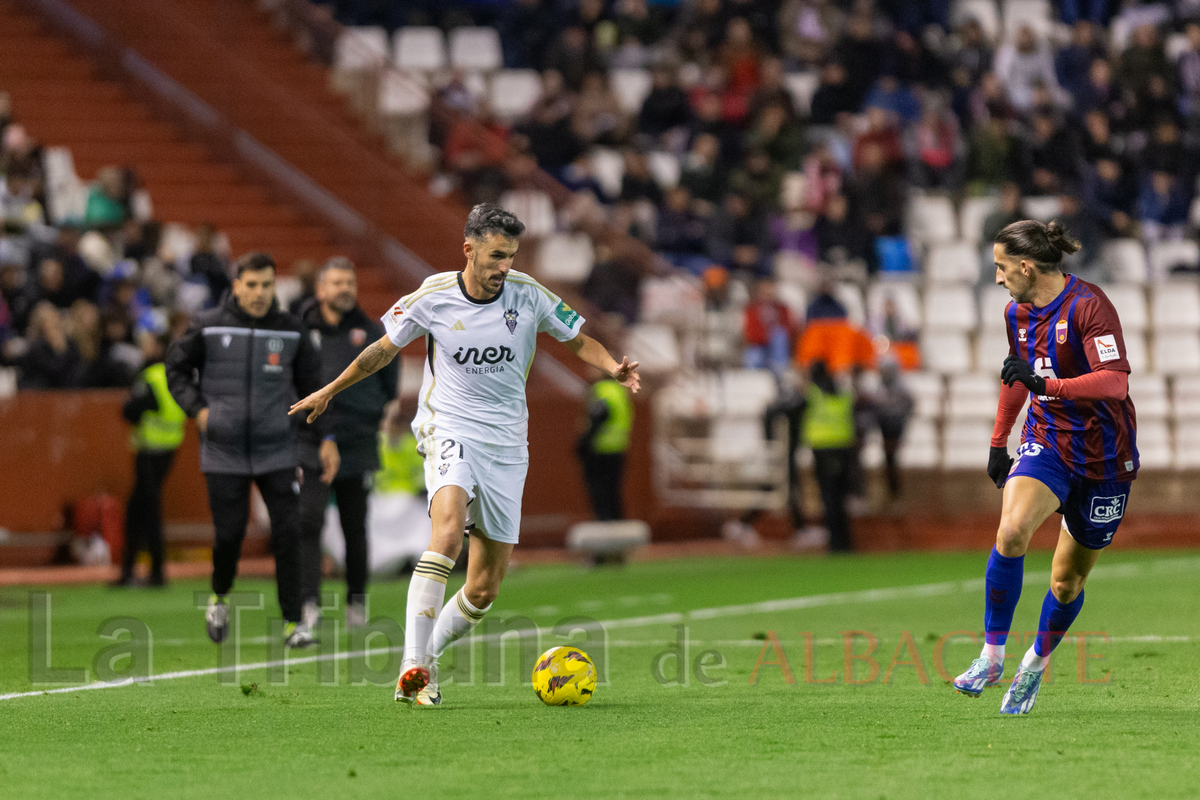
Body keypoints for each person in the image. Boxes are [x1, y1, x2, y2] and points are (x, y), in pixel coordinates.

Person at [290, 204, 640, 706]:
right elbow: (382, 350)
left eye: (512, 257)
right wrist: (330, 389)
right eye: (496, 256)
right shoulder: (432, 296)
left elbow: (578, 338)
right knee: (448, 530)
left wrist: (612, 366)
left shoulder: (528, 294)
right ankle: (415, 665)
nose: (505, 267)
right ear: (469, 250)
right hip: (447, 426)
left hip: (506, 443)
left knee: (483, 587)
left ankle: (424, 661)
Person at [953, 220, 1138, 715]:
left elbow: (1114, 383)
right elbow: (1019, 376)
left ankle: (1032, 666)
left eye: (1000, 267)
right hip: (1048, 442)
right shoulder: (1016, 313)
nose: (997, 277)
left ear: (1026, 266)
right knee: (1011, 531)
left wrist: (1046, 386)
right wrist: (999, 440)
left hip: (1105, 457)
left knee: (1066, 583)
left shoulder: (1089, 306)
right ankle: (991, 656)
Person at [166, 252, 337, 648]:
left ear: (275, 286)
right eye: (253, 285)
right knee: (229, 535)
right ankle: (220, 596)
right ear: (237, 285)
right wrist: (199, 411)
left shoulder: (292, 331)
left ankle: (294, 624)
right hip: (223, 451)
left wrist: (327, 439)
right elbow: (174, 368)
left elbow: (317, 390)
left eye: (267, 285)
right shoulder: (207, 326)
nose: (260, 293)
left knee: (288, 534)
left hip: (278, 449)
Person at [296, 257, 398, 632]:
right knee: (308, 522)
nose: (344, 289)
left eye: (349, 283)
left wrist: (356, 421)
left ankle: (356, 600)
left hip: (357, 443)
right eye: (336, 282)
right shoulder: (301, 331)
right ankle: (308, 603)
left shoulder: (373, 331)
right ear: (320, 289)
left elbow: (387, 389)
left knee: (355, 527)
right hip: (310, 440)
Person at [114, 330, 184, 587]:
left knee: (146, 509)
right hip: (169, 447)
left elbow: (132, 409)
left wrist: (127, 409)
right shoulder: (176, 376)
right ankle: (132, 570)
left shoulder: (150, 376)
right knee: (140, 507)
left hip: (148, 449)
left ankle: (151, 572)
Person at [802, 360, 856, 552]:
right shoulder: (841, 389)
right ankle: (845, 542)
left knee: (829, 497)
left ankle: (835, 543)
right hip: (843, 446)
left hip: (823, 448)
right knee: (841, 497)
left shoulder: (812, 393)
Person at [577, 367, 634, 521]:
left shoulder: (601, 389)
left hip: (600, 448)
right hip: (619, 448)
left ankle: (605, 523)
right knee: (613, 491)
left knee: (599, 491)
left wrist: (584, 441)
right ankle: (616, 526)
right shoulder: (620, 391)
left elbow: (599, 413)